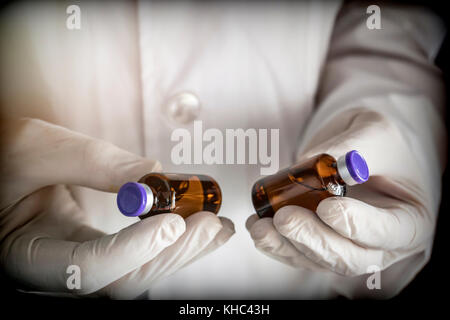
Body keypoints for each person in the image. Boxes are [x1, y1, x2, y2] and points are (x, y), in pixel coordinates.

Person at [0, 0, 446, 299]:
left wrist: (397, 122)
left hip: (283, 283)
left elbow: (379, 23)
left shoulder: (327, 171)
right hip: (69, 214)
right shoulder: (161, 189)